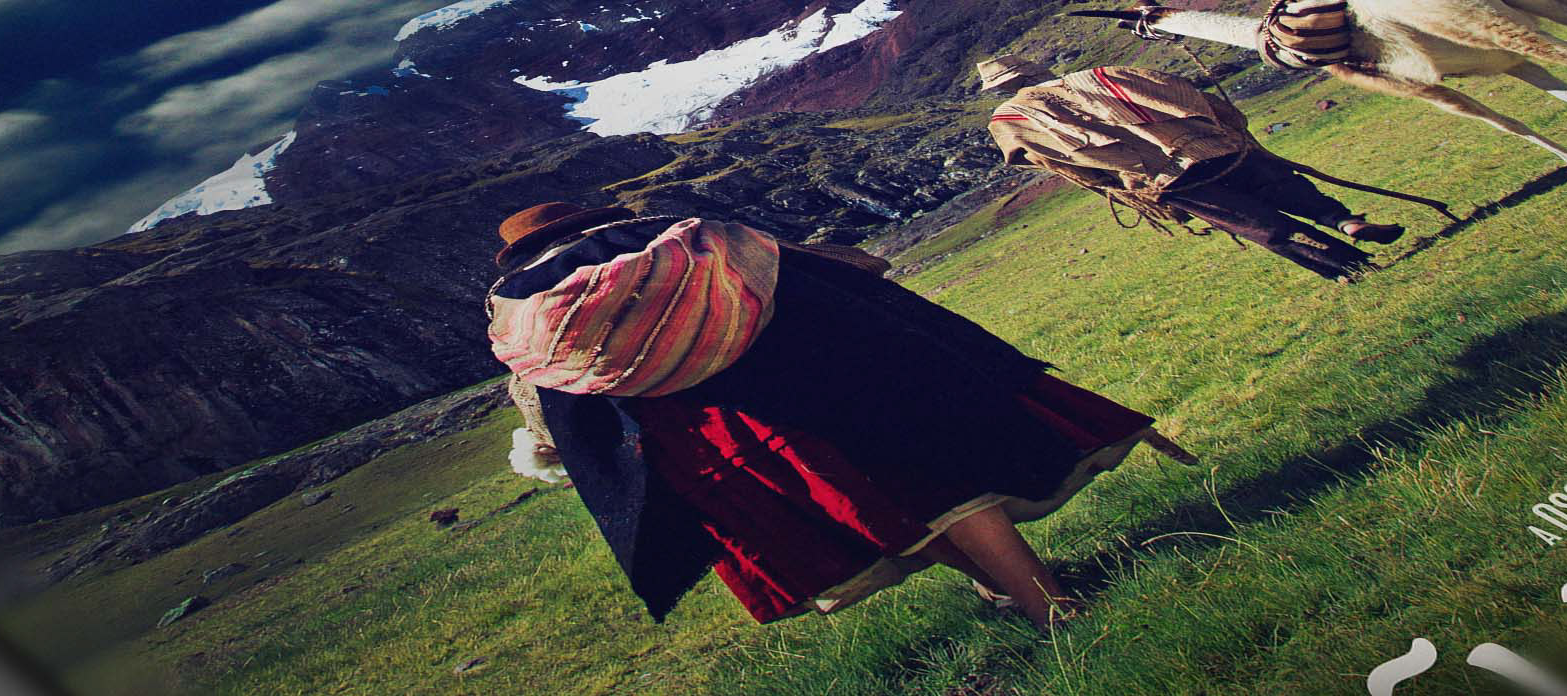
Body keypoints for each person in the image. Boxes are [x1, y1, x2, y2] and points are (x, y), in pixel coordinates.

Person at [486, 201, 1193, 630]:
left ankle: (1012, 593)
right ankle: (1047, 603)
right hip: (825, 367)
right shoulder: (675, 236)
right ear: (595, 217)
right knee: (945, 484)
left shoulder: (522, 310)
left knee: (877, 507)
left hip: (731, 427)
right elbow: (822, 263)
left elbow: (545, 399)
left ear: (520, 252)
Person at [979, 55, 1409, 282]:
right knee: (1280, 187)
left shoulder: (1010, 119)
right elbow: (1183, 92)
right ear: (1038, 70)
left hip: (1166, 178)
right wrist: (1229, 128)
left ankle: (1346, 265)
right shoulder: (1102, 75)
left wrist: (1120, 178)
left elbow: (1045, 159)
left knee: (1255, 222)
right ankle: (1346, 222)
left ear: (1000, 90)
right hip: (1213, 147)